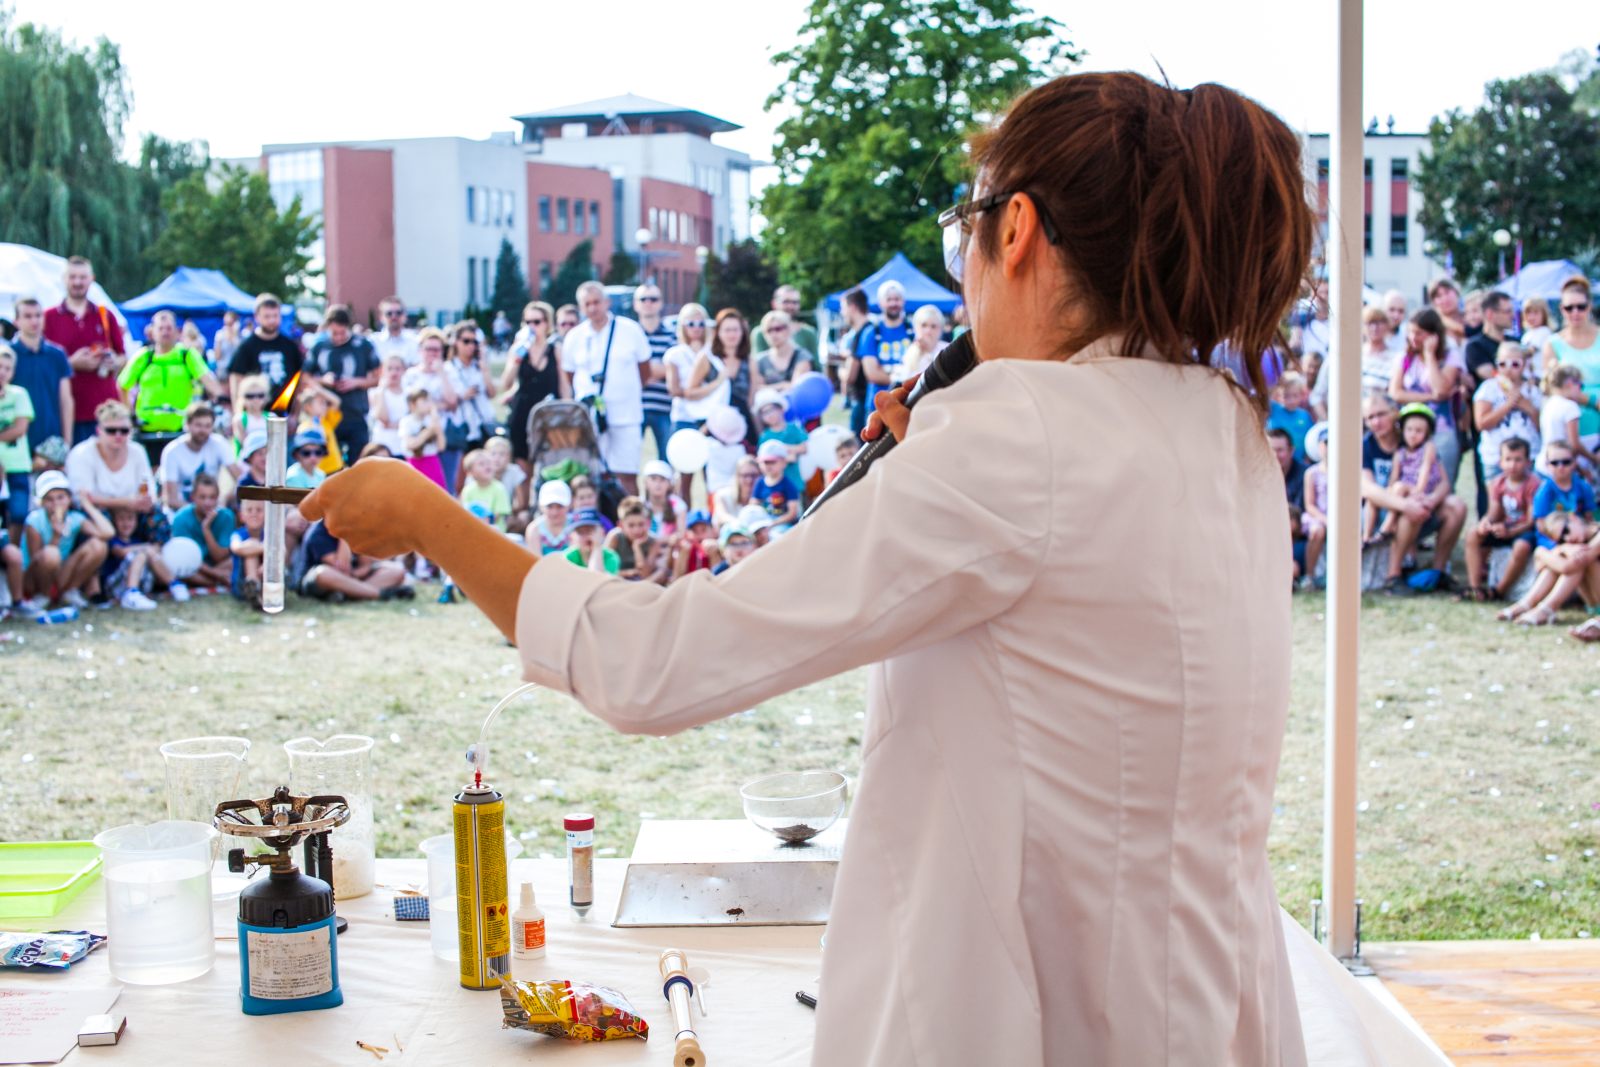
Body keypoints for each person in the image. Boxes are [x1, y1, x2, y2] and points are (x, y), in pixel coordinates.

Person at [303, 71, 1327, 1064]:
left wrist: (430, 516)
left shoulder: (1018, 436)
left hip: (1043, 1013)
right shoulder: (1220, 423)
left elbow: (659, 663)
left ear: (1014, 231)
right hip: (1202, 994)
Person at [1359, 392, 1467, 596]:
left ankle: (1438, 570)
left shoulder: (1414, 436)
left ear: (1394, 413)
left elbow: (1444, 482)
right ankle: (1394, 575)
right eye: (1370, 418)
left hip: (1421, 503)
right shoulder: (1366, 446)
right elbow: (1367, 489)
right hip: (1382, 514)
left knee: (1456, 506)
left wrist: (1430, 500)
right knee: (1408, 509)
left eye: (1381, 414)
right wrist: (1405, 505)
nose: (1376, 422)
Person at [563, 281, 654, 493]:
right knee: (590, 475)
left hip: (626, 415)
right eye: (587, 304)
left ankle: (629, 521)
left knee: (626, 474)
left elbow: (645, 371)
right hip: (589, 419)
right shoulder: (575, 337)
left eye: (597, 302)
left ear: (607, 302)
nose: (593, 308)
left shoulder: (630, 330)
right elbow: (569, 374)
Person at [1498, 440, 1599, 625]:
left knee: (1575, 560)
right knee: (1572, 559)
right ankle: (1531, 604)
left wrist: (1544, 554)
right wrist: (1557, 549)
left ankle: (1540, 607)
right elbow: (1543, 527)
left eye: (1566, 462)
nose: (1560, 467)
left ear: (1575, 518)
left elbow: (1571, 563)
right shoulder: (1545, 490)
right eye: (1555, 463)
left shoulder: (1582, 491)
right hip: (1591, 598)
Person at [118, 309, 224, 466]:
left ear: (177, 332)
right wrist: (129, 415)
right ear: (151, 332)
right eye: (160, 328)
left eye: (169, 328)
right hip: (147, 429)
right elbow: (122, 385)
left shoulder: (187, 355)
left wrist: (220, 401)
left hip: (180, 429)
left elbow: (209, 381)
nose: (165, 333)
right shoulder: (144, 357)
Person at [43, 256, 126, 445]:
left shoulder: (105, 316)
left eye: (82, 277)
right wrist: (71, 363)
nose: (78, 282)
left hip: (105, 409)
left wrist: (113, 362)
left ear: (92, 279)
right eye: (73, 277)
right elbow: (43, 363)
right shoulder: (49, 318)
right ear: (64, 279)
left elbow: (123, 357)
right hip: (67, 410)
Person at [1389, 307, 1467, 489]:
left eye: (1419, 333)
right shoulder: (1405, 358)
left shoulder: (1450, 357)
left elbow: (1441, 389)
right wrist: (1430, 396)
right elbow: (1396, 393)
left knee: (1441, 484)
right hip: (1409, 432)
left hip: (1441, 430)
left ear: (1434, 335)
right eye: (1410, 332)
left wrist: (1430, 356)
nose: (1413, 338)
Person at [20, 469, 111, 612]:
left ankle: (69, 592)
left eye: (60, 497)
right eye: (49, 499)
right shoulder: (34, 521)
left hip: (61, 574)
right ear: (42, 502)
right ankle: (43, 596)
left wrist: (86, 504)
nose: (56, 503)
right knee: (51, 554)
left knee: (98, 545)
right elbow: (36, 560)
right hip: (33, 581)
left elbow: (107, 533)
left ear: (69, 498)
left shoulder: (74, 518)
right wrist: (56, 536)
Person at [1463, 438, 1540, 602]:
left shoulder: (1533, 484)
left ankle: (1499, 591)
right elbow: (1494, 511)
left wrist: (1510, 531)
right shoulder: (1497, 483)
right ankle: (1475, 587)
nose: (1513, 465)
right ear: (1500, 462)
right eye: (1508, 459)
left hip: (1524, 532)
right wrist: (1485, 523)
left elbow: (1531, 520)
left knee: (1521, 547)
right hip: (1505, 528)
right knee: (1473, 534)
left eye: (1518, 460)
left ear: (1528, 462)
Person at [65, 401, 156, 532]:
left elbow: (149, 491)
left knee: (157, 516)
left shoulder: (137, 451)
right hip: (97, 514)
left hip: (132, 512)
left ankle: (155, 549)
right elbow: (83, 499)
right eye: (111, 431)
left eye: (124, 431)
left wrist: (142, 502)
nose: (118, 435)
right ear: (99, 430)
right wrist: (126, 502)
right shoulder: (81, 453)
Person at [498, 302, 566, 475]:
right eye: (527, 322)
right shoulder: (518, 350)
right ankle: (523, 502)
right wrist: (517, 358)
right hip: (522, 412)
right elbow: (506, 383)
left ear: (547, 323)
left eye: (537, 322)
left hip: (548, 412)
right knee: (523, 468)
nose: (532, 327)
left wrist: (566, 409)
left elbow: (564, 385)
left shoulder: (555, 350)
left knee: (551, 467)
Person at [307, 305, 380, 462]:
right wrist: (323, 380)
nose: (339, 337)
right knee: (330, 465)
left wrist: (357, 382)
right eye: (334, 333)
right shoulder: (319, 346)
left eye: (342, 333)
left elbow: (378, 377)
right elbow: (305, 377)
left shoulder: (363, 345)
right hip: (328, 415)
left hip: (356, 413)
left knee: (359, 464)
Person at [1372, 404, 1446, 545]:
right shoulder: (1400, 453)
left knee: (1401, 490)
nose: (1413, 434)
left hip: (1420, 490)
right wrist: (1391, 489)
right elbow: (1394, 476)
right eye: (1409, 430)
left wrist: (1419, 490)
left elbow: (1425, 469)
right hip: (1404, 492)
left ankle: (1386, 528)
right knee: (1396, 488)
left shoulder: (1428, 448)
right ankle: (1368, 536)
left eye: (1419, 431)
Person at [689, 310, 762, 452]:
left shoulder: (749, 361)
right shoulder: (707, 358)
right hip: (715, 426)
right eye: (727, 330)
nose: (732, 334)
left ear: (742, 332)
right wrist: (717, 382)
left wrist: (759, 433)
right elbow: (690, 393)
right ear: (718, 332)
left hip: (742, 426)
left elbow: (751, 401)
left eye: (736, 330)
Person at [8, 297, 73, 453]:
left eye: (38, 315)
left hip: (51, 439)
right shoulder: (8, 355)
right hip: (16, 442)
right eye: (28, 316)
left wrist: (67, 441)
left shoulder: (57, 354)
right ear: (16, 321)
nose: (34, 321)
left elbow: (66, 399)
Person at [1471, 342, 1541, 487]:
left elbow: (1543, 426)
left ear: (1524, 365)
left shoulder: (1534, 389)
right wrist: (1508, 405)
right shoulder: (1488, 388)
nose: (1508, 369)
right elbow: (1481, 423)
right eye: (1502, 364)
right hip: (1496, 458)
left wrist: (1527, 406)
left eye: (1515, 364)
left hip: (1529, 457)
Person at [1309, 307, 1397, 421]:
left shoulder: (1397, 358)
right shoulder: (1341, 355)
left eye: (1380, 322)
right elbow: (1317, 395)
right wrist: (1329, 423)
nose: (1375, 328)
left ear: (1387, 326)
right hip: (1345, 420)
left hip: (1379, 422)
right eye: (1370, 323)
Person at [295, 516, 411, 602]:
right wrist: (344, 536)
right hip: (319, 582)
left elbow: (365, 566)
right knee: (323, 573)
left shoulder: (359, 528)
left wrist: (356, 574)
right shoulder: (317, 534)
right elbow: (342, 570)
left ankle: (349, 595)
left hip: (350, 578)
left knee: (396, 571)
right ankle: (381, 594)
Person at [1542, 276, 1600, 446]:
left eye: (1581, 307)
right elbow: (1551, 387)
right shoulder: (1553, 343)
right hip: (1573, 425)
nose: (1575, 312)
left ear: (1589, 307)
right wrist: (1591, 400)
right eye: (1569, 308)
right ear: (1562, 309)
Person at [402, 328, 461, 488]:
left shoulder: (449, 371)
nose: (433, 353)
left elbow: (452, 401)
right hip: (421, 439)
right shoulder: (411, 375)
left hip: (445, 435)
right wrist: (438, 405)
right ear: (420, 350)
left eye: (437, 349)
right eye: (429, 349)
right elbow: (410, 405)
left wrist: (441, 373)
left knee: (445, 487)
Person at [227, 294, 304, 411]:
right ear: (257, 317)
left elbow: (299, 380)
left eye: (275, 316)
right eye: (267, 316)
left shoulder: (290, 346)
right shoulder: (246, 346)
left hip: (284, 414)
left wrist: (296, 413)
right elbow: (236, 379)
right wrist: (238, 412)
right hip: (255, 414)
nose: (272, 320)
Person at [159, 401, 240, 508]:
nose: (203, 430)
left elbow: (240, 478)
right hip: (181, 512)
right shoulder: (172, 451)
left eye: (207, 426)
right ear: (187, 425)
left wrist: (226, 498)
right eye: (198, 425)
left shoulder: (219, 443)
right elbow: (171, 500)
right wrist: (198, 512)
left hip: (212, 509)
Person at [104, 505, 181, 610]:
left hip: (144, 582)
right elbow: (121, 551)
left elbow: (156, 549)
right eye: (121, 519)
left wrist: (149, 549)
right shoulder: (114, 540)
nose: (126, 523)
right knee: (142, 554)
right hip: (116, 585)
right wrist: (147, 548)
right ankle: (131, 592)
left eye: (130, 519)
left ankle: (174, 584)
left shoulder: (138, 540)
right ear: (114, 521)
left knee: (150, 554)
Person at [446, 322, 496, 482]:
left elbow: (492, 393)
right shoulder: (448, 368)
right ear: (456, 342)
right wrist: (462, 396)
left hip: (481, 426)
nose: (470, 346)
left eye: (474, 342)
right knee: (459, 478)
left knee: (485, 475)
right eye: (466, 341)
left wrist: (484, 368)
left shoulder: (479, 367)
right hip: (461, 427)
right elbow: (447, 401)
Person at [168, 471, 235, 589]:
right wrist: (217, 574)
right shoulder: (181, 518)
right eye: (202, 497)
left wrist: (206, 529)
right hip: (194, 567)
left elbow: (220, 557)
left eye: (212, 497)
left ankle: (210, 581)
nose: (207, 503)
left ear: (218, 497)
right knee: (180, 568)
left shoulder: (226, 516)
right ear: (193, 497)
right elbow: (184, 558)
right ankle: (218, 580)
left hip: (218, 564)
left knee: (235, 560)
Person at [632, 284, 676, 463]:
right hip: (634, 407)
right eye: (643, 299)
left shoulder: (672, 335)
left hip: (664, 406)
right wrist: (657, 369)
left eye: (653, 299)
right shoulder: (629, 334)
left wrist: (641, 370)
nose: (648, 303)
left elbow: (674, 368)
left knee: (667, 460)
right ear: (636, 304)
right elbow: (626, 370)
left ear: (661, 303)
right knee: (630, 462)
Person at [1538, 364, 1600, 481]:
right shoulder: (1570, 407)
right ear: (1570, 384)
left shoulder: (1549, 403)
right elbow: (1574, 445)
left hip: (1546, 464)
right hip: (1561, 465)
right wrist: (1593, 459)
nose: (1581, 392)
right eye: (1580, 386)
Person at [857, 280, 911, 407]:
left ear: (903, 302)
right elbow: (872, 373)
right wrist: (901, 381)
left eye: (897, 299)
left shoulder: (913, 331)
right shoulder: (871, 333)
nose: (893, 303)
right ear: (880, 303)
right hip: (878, 405)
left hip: (907, 402)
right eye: (889, 299)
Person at [0, 343, 34, 542]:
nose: (3, 372)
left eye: (7, 368)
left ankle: (11, 554)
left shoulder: (19, 394)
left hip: (18, 466)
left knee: (19, 514)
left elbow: (20, 428)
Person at [754, 310, 822, 393]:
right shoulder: (760, 360)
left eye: (778, 329)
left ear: (788, 329)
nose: (773, 334)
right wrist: (784, 385)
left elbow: (797, 387)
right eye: (769, 330)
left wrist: (769, 388)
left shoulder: (802, 356)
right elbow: (757, 389)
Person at [753, 388, 807, 488]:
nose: (769, 415)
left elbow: (804, 447)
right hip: (774, 484)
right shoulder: (765, 436)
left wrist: (782, 448)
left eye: (771, 410)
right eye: (764, 413)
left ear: (781, 409)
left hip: (793, 480)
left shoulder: (793, 428)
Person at [603, 496, 665, 583]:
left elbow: (645, 575)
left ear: (648, 523)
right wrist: (628, 573)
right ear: (621, 525)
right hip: (617, 581)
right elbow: (603, 569)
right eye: (631, 525)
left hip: (641, 583)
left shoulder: (653, 541)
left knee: (661, 572)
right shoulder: (615, 537)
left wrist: (637, 547)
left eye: (641, 524)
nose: (637, 530)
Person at [836, 288, 873, 434]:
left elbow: (850, 376)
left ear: (852, 307)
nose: (842, 313)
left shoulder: (861, 334)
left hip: (863, 401)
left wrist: (839, 371)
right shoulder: (871, 329)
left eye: (843, 308)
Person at [398, 387, 448, 492]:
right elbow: (411, 444)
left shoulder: (432, 420)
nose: (429, 404)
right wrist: (429, 431)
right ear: (413, 404)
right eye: (425, 401)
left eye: (430, 400)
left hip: (432, 462)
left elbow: (441, 446)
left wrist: (437, 426)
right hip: (414, 463)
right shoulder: (406, 422)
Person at [751, 285, 821, 357]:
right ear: (774, 303)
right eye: (786, 302)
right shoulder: (760, 332)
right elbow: (757, 365)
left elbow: (816, 366)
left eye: (795, 302)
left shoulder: (809, 333)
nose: (790, 306)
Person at [751, 439, 801, 531]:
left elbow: (792, 513)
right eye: (765, 462)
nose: (768, 466)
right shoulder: (760, 483)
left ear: (784, 462)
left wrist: (772, 524)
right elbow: (753, 505)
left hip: (784, 525)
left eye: (772, 462)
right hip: (763, 524)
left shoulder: (788, 485)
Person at [1267, 372, 1315, 464]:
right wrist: (1277, 383)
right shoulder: (1273, 409)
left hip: (1298, 462)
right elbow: (1264, 395)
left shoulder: (1304, 415)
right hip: (1274, 460)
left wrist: (1307, 458)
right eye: (1286, 396)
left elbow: (1310, 439)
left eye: (1295, 396)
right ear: (1279, 395)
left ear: (1301, 395)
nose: (1291, 400)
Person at [460, 448, 512, 530]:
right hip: (473, 528)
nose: (487, 466)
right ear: (470, 472)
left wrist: (482, 523)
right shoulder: (468, 490)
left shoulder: (499, 488)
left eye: (489, 463)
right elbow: (465, 512)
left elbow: (497, 515)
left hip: (494, 531)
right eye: (481, 464)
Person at [368, 355, 409, 456]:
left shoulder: (410, 393)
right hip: (382, 448)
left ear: (404, 370)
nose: (394, 372)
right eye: (389, 368)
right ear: (382, 370)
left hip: (404, 448)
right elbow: (383, 418)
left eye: (398, 369)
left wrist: (397, 425)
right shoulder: (375, 393)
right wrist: (382, 389)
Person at [231, 495, 266, 608]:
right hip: (241, 583)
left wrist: (266, 565)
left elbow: (282, 550)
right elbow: (237, 548)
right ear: (241, 516)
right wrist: (264, 547)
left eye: (259, 510)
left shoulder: (268, 534)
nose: (254, 513)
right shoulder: (237, 534)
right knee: (250, 549)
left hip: (265, 576)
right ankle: (253, 586)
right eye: (249, 510)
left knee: (276, 555)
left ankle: (261, 593)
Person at [562, 507, 618, 574]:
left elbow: (596, 578)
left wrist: (597, 547)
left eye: (590, 530)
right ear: (572, 537)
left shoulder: (610, 557)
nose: (586, 536)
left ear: (602, 532)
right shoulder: (566, 558)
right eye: (580, 532)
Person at [900, 305, 945, 383]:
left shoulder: (947, 349)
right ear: (915, 327)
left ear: (940, 329)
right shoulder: (909, 351)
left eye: (933, 326)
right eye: (924, 325)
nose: (928, 331)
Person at [370, 296, 419, 367]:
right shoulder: (373, 342)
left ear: (405, 316)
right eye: (389, 313)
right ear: (381, 317)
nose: (394, 317)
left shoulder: (415, 340)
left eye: (398, 313)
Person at [530, 479, 572, 556]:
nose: (554, 512)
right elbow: (536, 562)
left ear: (569, 505)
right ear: (541, 506)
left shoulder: (576, 526)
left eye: (560, 506)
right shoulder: (534, 529)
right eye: (549, 506)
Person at [1520, 297, 1554, 376]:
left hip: (1539, 375)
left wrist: (1513, 352)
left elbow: (1530, 350)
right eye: (1528, 313)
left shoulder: (1544, 331)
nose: (1531, 317)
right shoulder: (1526, 335)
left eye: (1535, 313)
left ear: (1544, 314)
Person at [212, 311, 242, 378]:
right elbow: (217, 356)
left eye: (231, 324)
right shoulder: (220, 335)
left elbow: (241, 351)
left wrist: (234, 335)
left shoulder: (240, 335)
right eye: (227, 324)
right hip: (223, 370)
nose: (228, 327)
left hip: (237, 369)